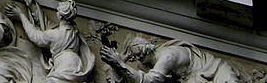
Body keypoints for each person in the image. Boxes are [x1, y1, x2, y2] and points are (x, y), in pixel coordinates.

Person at [4, 0, 94, 83]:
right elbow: (46, 23)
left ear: (60, 16)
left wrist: (21, 15)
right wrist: (32, 6)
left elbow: (34, 36)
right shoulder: (74, 31)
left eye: (57, 11)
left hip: (65, 65)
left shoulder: (55, 34)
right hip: (77, 64)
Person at [100, 37, 247, 83]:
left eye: (136, 54)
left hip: (216, 73)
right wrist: (118, 64)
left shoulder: (167, 56)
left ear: (145, 49)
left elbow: (149, 81)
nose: (136, 58)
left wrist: (119, 63)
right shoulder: (149, 62)